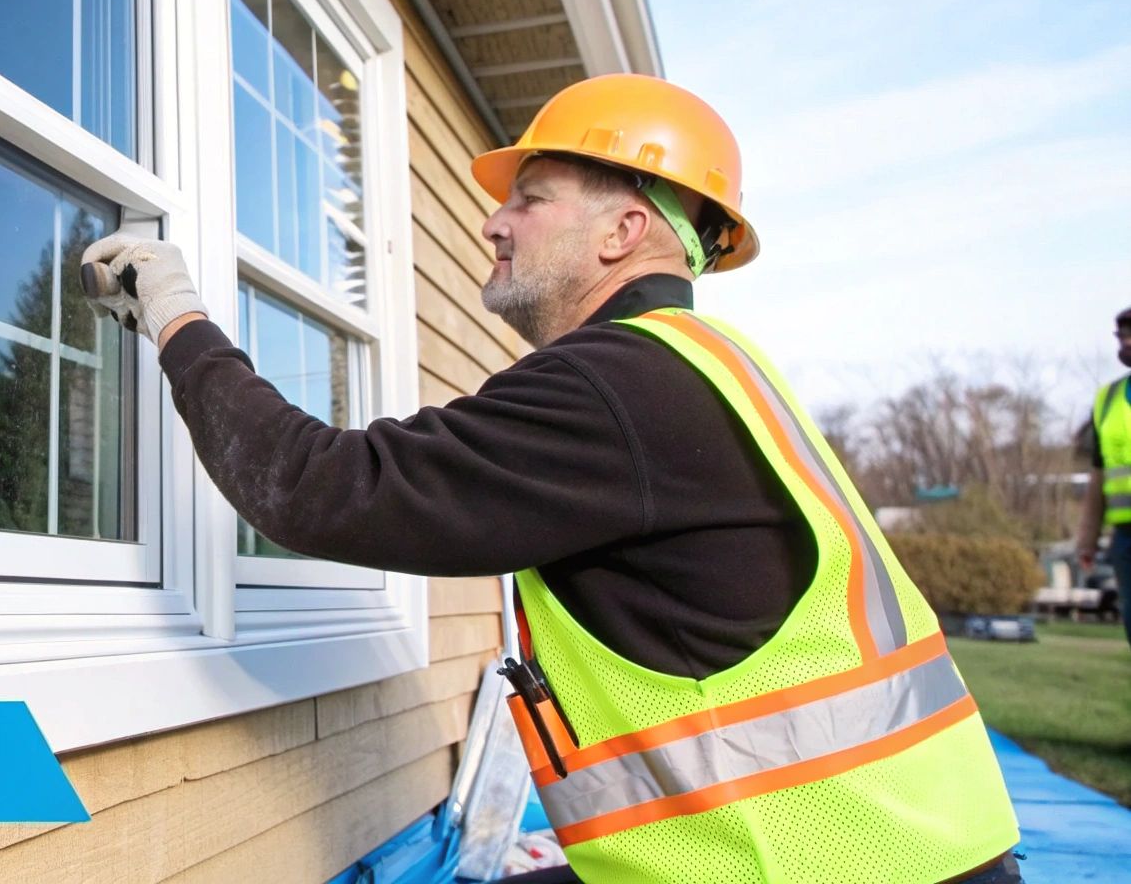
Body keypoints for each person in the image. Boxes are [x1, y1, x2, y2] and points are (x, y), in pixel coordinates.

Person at [82, 73, 1022, 883]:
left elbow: (321, 489)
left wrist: (179, 319)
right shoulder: (706, 362)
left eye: (529, 198)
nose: (492, 222)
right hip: (897, 848)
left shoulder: (616, 385)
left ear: (623, 231)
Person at [1076, 307, 1131, 649]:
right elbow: (1099, 475)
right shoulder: (1107, 399)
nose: (1125, 342)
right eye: (1121, 335)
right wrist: (1087, 539)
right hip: (1124, 537)